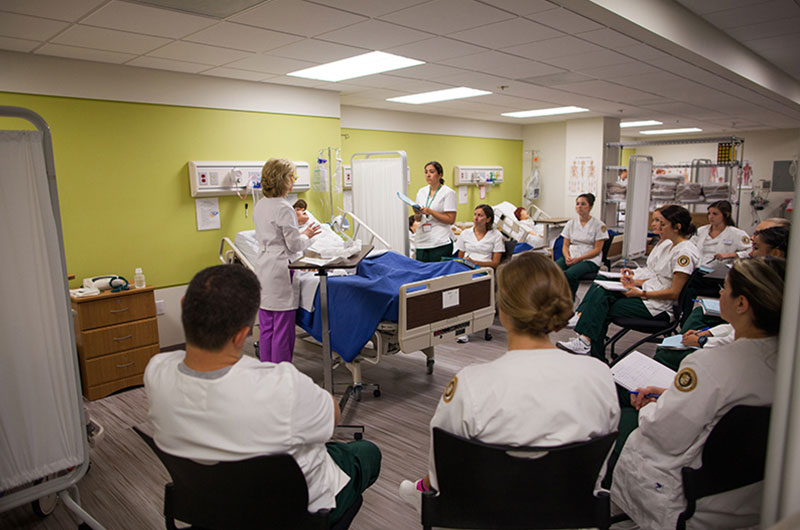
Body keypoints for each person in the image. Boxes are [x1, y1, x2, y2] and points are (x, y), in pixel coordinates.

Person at [144, 265, 381, 526]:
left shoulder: (156, 371)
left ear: (183, 305)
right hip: (295, 512)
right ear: (242, 334)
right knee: (366, 452)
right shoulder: (281, 385)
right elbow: (332, 417)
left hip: (210, 505)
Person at [397, 252, 620, 511]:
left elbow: (442, 471)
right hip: (573, 512)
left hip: (486, 515)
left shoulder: (471, 385)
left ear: (502, 311)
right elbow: (599, 462)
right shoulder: (599, 375)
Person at [611, 256, 786, 529]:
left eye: (725, 288)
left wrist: (647, 407)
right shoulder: (786, 364)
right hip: (752, 496)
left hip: (692, 497)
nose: (719, 294)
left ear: (742, 304)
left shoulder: (709, 365)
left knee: (617, 420)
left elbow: (664, 432)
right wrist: (672, 392)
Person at [558, 205, 699, 361]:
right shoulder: (670, 245)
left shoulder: (684, 252)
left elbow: (674, 293)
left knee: (601, 304)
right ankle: (587, 344)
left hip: (657, 306)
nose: (658, 226)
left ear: (677, 227)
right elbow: (656, 275)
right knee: (601, 291)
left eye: (663, 224)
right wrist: (635, 282)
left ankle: (590, 348)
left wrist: (641, 292)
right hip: (646, 294)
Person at [254, 158, 320, 363]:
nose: (294, 180)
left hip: (263, 268)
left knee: (267, 328)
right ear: (283, 180)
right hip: (282, 270)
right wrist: (307, 234)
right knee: (283, 330)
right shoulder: (284, 208)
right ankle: (282, 376)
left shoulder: (260, 205)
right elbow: (294, 245)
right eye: (293, 176)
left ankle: (268, 372)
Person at [556, 193, 609, 299]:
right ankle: (557, 297)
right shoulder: (571, 223)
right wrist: (567, 256)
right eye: (577, 204)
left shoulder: (599, 225)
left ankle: (571, 300)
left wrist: (579, 259)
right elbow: (565, 245)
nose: (579, 206)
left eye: (583, 204)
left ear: (590, 207)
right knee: (553, 270)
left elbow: (597, 250)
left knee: (570, 274)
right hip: (572, 255)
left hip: (590, 259)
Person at [413, 161, 457, 263]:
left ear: (440, 174)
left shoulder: (448, 193)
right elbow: (418, 219)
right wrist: (417, 213)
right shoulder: (421, 192)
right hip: (422, 241)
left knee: (437, 275)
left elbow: (450, 220)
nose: (428, 175)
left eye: (431, 172)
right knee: (423, 274)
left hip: (440, 241)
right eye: (426, 172)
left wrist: (431, 212)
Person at [691, 200, 751, 264]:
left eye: (715, 214)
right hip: (700, 267)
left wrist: (732, 255)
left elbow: (751, 251)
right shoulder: (701, 231)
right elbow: (690, 246)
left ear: (726, 214)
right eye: (709, 213)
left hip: (724, 269)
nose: (711, 217)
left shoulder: (737, 233)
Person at [454, 204, 505, 269]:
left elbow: (495, 263)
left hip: (485, 270)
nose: (476, 218)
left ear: (488, 219)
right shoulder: (465, 233)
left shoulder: (497, 235)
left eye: (480, 215)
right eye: (475, 214)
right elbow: (460, 259)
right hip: (466, 268)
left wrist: (474, 262)